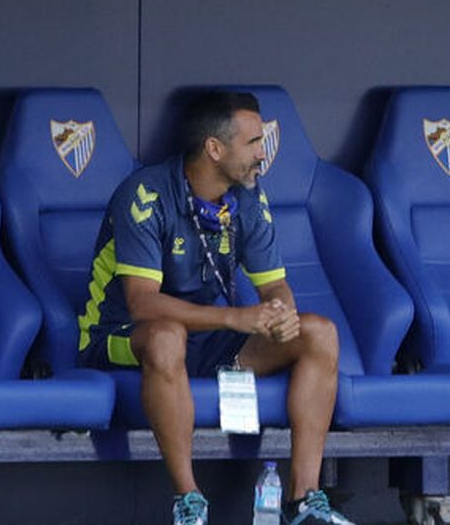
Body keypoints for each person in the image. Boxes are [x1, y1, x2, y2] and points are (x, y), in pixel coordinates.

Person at [77, 91, 350, 525]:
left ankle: (304, 501)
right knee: (167, 336)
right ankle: (189, 502)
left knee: (318, 333)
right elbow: (142, 303)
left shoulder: (248, 198)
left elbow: (275, 283)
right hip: (123, 334)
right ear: (214, 148)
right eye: (254, 143)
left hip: (205, 340)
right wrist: (235, 317)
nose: (264, 153)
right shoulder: (146, 194)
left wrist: (282, 316)